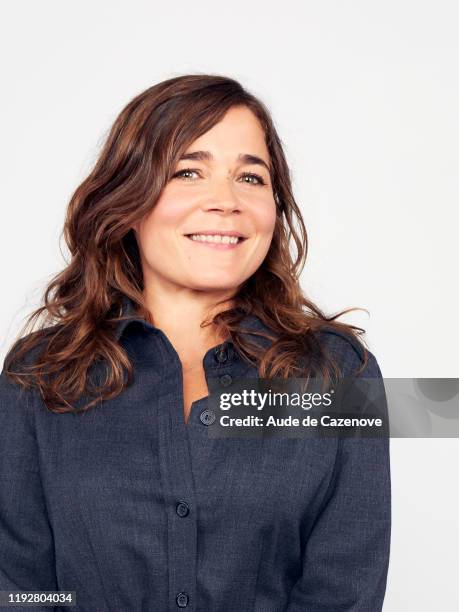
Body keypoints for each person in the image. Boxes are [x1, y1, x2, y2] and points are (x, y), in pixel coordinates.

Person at [0, 74, 391, 611]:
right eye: (189, 171)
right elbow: (22, 589)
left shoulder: (341, 374)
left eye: (251, 178)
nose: (225, 201)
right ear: (128, 198)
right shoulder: (37, 375)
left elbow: (343, 589)